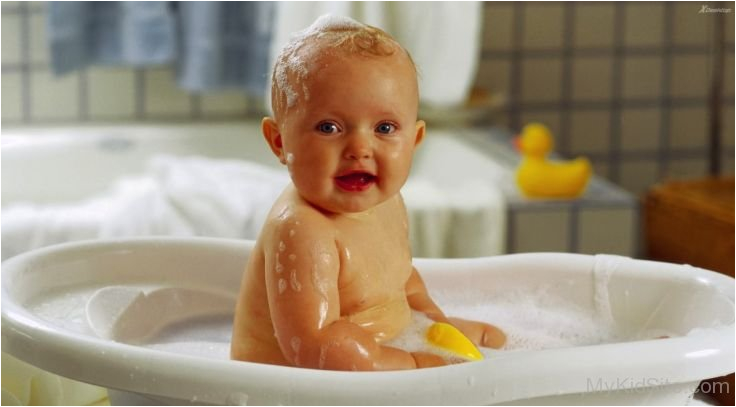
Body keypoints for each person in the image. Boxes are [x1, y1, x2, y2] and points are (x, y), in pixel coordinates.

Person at [231, 15, 504, 370]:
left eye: (385, 127)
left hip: (378, 350)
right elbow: (315, 346)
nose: (360, 148)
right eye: (329, 127)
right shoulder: (302, 230)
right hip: (287, 388)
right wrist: (413, 363)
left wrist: (434, 321)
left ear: (414, 141)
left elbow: (403, 280)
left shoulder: (388, 202)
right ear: (280, 142)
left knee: (494, 339)